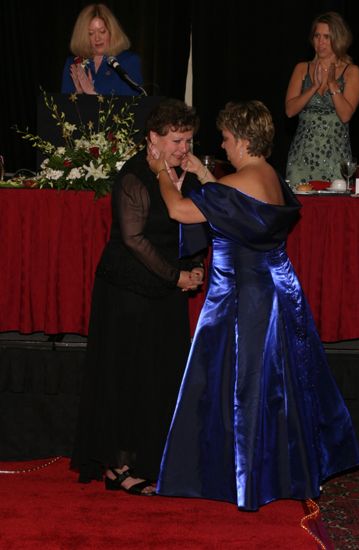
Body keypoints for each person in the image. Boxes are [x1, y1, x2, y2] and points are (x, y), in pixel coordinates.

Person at [147, 100, 359, 511]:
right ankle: (283, 471)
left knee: (240, 388)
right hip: (279, 290)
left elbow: (179, 210)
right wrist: (205, 174)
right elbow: (237, 206)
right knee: (277, 388)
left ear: (243, 140)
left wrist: (161, 170)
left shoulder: (236, 184)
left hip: (243, 299)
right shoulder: (269, 176)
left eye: (227, 139)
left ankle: (240, 477)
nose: (224, 146)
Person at [70, 99, 207, 495]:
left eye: (189, 140)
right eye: (178, 140)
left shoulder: (185, 172)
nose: (184, 148)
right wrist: (176, 276)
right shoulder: (134, 177)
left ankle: (153, 459)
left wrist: (195, 265)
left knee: (160, 377)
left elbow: (196, 224)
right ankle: (119, 466)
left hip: (166, 289)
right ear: (154, 138)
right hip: (128, 291)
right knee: (128, 377)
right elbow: (133, 240)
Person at [285, 11, 359, 186]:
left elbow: (345, 116)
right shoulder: (301, 69)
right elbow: (290, 111)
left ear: (338, 39)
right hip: (301, 158)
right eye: (317, 36)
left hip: (336, 158)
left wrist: (333, 85)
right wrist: (313, 87)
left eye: (326, 37)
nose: (320, 42)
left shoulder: (351, 72)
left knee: (333, 211)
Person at [61, 4, 143, 95]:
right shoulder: (74, 64)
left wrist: (93, 93)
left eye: (102, 31)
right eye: (91, 33)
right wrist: (78, 95)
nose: (97, 38)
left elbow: (133, 105)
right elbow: (63, 106)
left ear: (112, 32)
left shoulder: (128, 61)